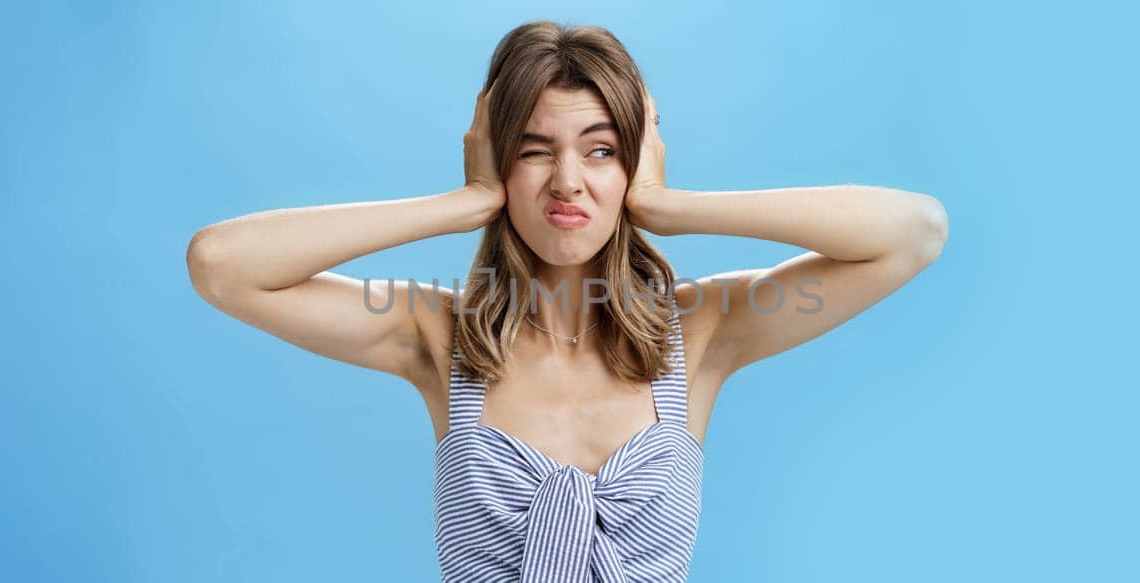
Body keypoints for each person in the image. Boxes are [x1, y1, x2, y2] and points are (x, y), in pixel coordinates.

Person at [186, 19, 947, 582]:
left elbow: (913, 232)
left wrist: (672, 206)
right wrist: (464, 201)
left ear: (632, 164)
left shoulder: (705, 331)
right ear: (500, 160)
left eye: (600, 149)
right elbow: (221, 264)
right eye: (533, 150)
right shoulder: (432, 333)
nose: (567, 182)